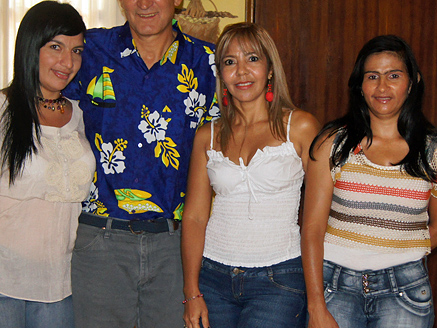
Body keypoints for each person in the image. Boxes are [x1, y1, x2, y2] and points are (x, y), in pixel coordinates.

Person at [62, 0, 218, 326]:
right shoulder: (88, 51)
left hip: (176, 249)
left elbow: (249, 130)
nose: (144, 3)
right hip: (101, 245)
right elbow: (41, 91)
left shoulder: (210, 64)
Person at [181, 22, 320, 328]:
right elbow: (193, 217)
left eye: (252, 59)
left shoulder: (300, 127)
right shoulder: (208, 135)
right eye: (230, 62)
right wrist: (192, 292)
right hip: (212, 278)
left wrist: (318, 301)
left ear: (270, 69)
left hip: (280, 279)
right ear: (221, 74)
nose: (241, 71)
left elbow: (320, 215)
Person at [302, 34, 437, 328]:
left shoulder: (431, 150)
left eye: (394, 75)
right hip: (335, 289)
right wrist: (315, 306)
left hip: (406, 293)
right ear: (360, 86)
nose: (382, 86)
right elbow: (311, 229)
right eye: (372, 76)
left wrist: (407, 247)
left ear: (411, 83)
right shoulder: (333, 143)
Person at [0, 2, 94, 328]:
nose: (68, 62)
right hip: (4, 282)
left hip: (60, 286)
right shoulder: (3, 110)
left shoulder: (81, 115)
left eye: (76, 50)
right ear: (30, 46)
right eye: (56, 46)